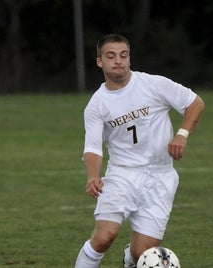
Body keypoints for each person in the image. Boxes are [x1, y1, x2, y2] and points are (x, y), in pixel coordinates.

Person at [74, 34, 205, 268]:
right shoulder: (97, 104)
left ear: (129, 58)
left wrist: (181, 135)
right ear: (99, 62)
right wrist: (93, 175)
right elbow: (92, 148)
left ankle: (129, 258)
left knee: (141, 254)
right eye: (111, 56)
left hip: (161, 175)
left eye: (123, 55)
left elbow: (195, 103)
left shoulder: (153, 84)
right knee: (104, 237)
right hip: (122, 174)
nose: (118, 61)